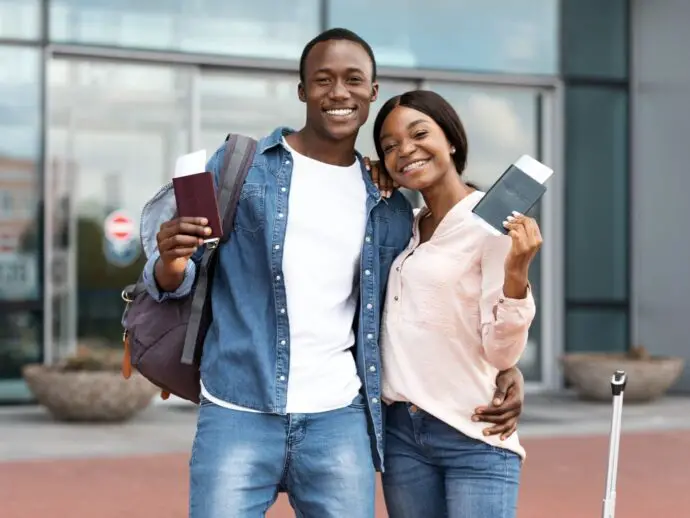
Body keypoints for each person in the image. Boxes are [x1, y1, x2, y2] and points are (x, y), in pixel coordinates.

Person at [143, 29, 526, 518]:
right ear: (302, 90)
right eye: (323, 80)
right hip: (238, 408)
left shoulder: (387, 205)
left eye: (353, 80)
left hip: (339, 419)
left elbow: (421, 305)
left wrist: (501, 365)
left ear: (372, 91)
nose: (338, 92)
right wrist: (171, 262)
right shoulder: (242, 169)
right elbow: (173, 282)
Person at [369, 89, 542, 518]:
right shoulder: (400, 226)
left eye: (418, 133)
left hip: (473, 431)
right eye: (389, 147)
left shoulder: (493, 224)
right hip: (402, 433)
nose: (404, 150)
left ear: (451, 139)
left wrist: (517, 273)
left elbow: (501, 352)